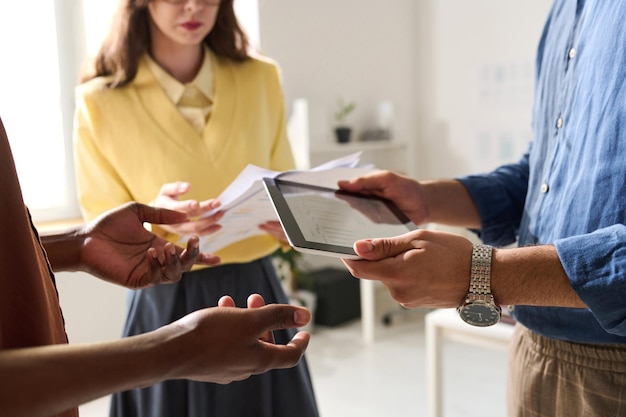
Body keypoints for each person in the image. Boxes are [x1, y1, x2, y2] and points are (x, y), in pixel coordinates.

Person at [339, 1, 626, 416]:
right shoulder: (565, 11)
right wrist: (427, 199)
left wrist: (483, 274)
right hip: (533, 351)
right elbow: (546, 172)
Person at [73, 1, 319, 416]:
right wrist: (152, 215)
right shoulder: (99, 101)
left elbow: (283, 183)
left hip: (253, 289)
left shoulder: (261, 78)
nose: (194, 6)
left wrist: (289, 218)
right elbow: (99, 224)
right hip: (163, 298)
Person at [0, 116, 312, 417]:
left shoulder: (261, 76)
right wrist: (176, 351)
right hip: (163, 306)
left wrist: (78, 244)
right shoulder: (98, 102)